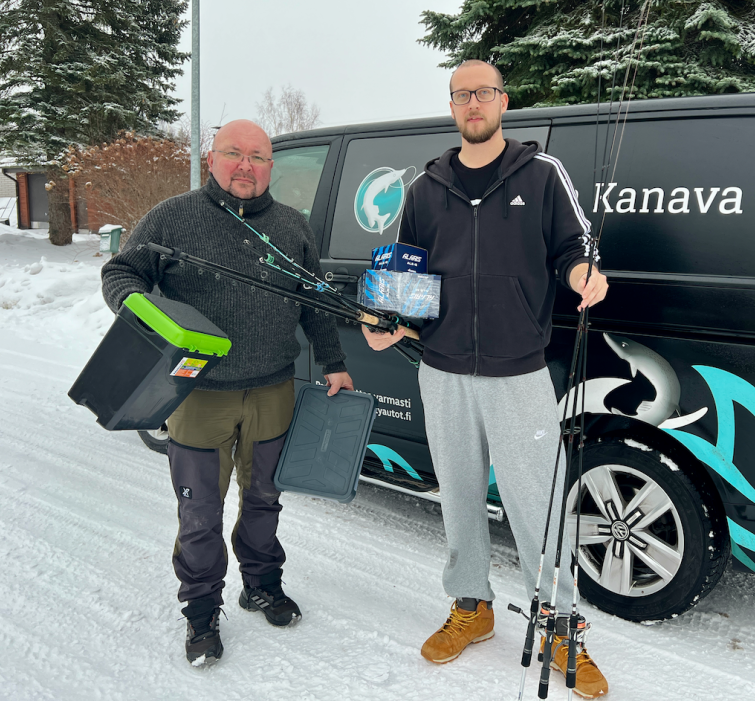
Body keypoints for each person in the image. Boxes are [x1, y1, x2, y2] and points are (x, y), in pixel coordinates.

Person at [363, 61, 610, 697]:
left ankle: (560, 625)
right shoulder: (425, 187)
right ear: (452, 107)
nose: (473, 103)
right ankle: (471, 606)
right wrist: (385, 319)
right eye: (462, 95)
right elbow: (405, 272)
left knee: (536, 504)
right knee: (459, 493)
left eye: (484, 92)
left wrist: (584, 274)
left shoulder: (541, 173)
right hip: (441, 368)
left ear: (503, 101)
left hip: (519, 370)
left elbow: (575, 246)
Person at [101, 119, 353, 666]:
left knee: (264, 498)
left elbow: (314, 299)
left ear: (270, 167)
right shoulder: (173, 216)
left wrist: (334, 362)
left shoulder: (291, 226)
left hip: (272, 389)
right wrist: (143, 315)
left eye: (257, 156)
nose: (245, 165)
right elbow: (121, 273)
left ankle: (260, 582)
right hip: (199, 392)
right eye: (234, 153)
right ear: (211, 158)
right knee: (200, 509)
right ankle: (200, 608)